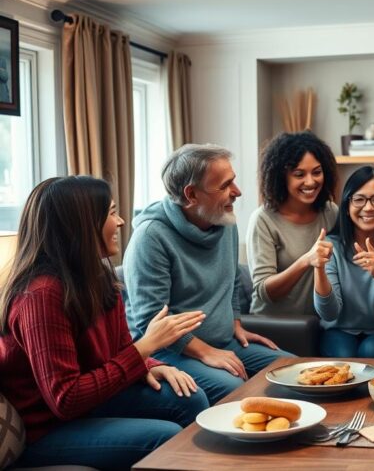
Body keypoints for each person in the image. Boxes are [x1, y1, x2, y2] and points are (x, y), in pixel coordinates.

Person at [0, 176, 209, 470]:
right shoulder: (41, 295)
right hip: (47, 429)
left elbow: (119, 349)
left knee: (191, 398)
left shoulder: (96, 277)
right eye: (111, 213)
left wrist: (152, 363)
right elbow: (66, 399)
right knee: (165, 437)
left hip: (90, 404)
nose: (122, 221)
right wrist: (145, 348)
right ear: (81, 224)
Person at [124, 144, 291, 405]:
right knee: (235, 388)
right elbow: (151, 320)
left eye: (233, 181)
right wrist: (205, 352)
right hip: (170, 352)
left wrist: (235, 323)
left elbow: (232, 279)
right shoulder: (150, 238)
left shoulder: (223, 220)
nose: (237, 192)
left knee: (294, 370)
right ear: (191, 194)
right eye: (224, 186)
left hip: (225, 342)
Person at [313, 166, 374, 358]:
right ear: (346, 206)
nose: (368, 207)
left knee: (370, 353)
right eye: (359, 199)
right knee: (346, 359)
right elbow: (329, 314)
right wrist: (319, 268)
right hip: (339, 330)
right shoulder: (331, 246)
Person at [247, 131, 339, 316]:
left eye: (317, 172)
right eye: (299, 174)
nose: (310, 181)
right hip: (275, 326)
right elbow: (265, 292)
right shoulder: (263, 220)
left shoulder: (330, 212)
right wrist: (307, 260)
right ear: (282, 177)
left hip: (318, 324)